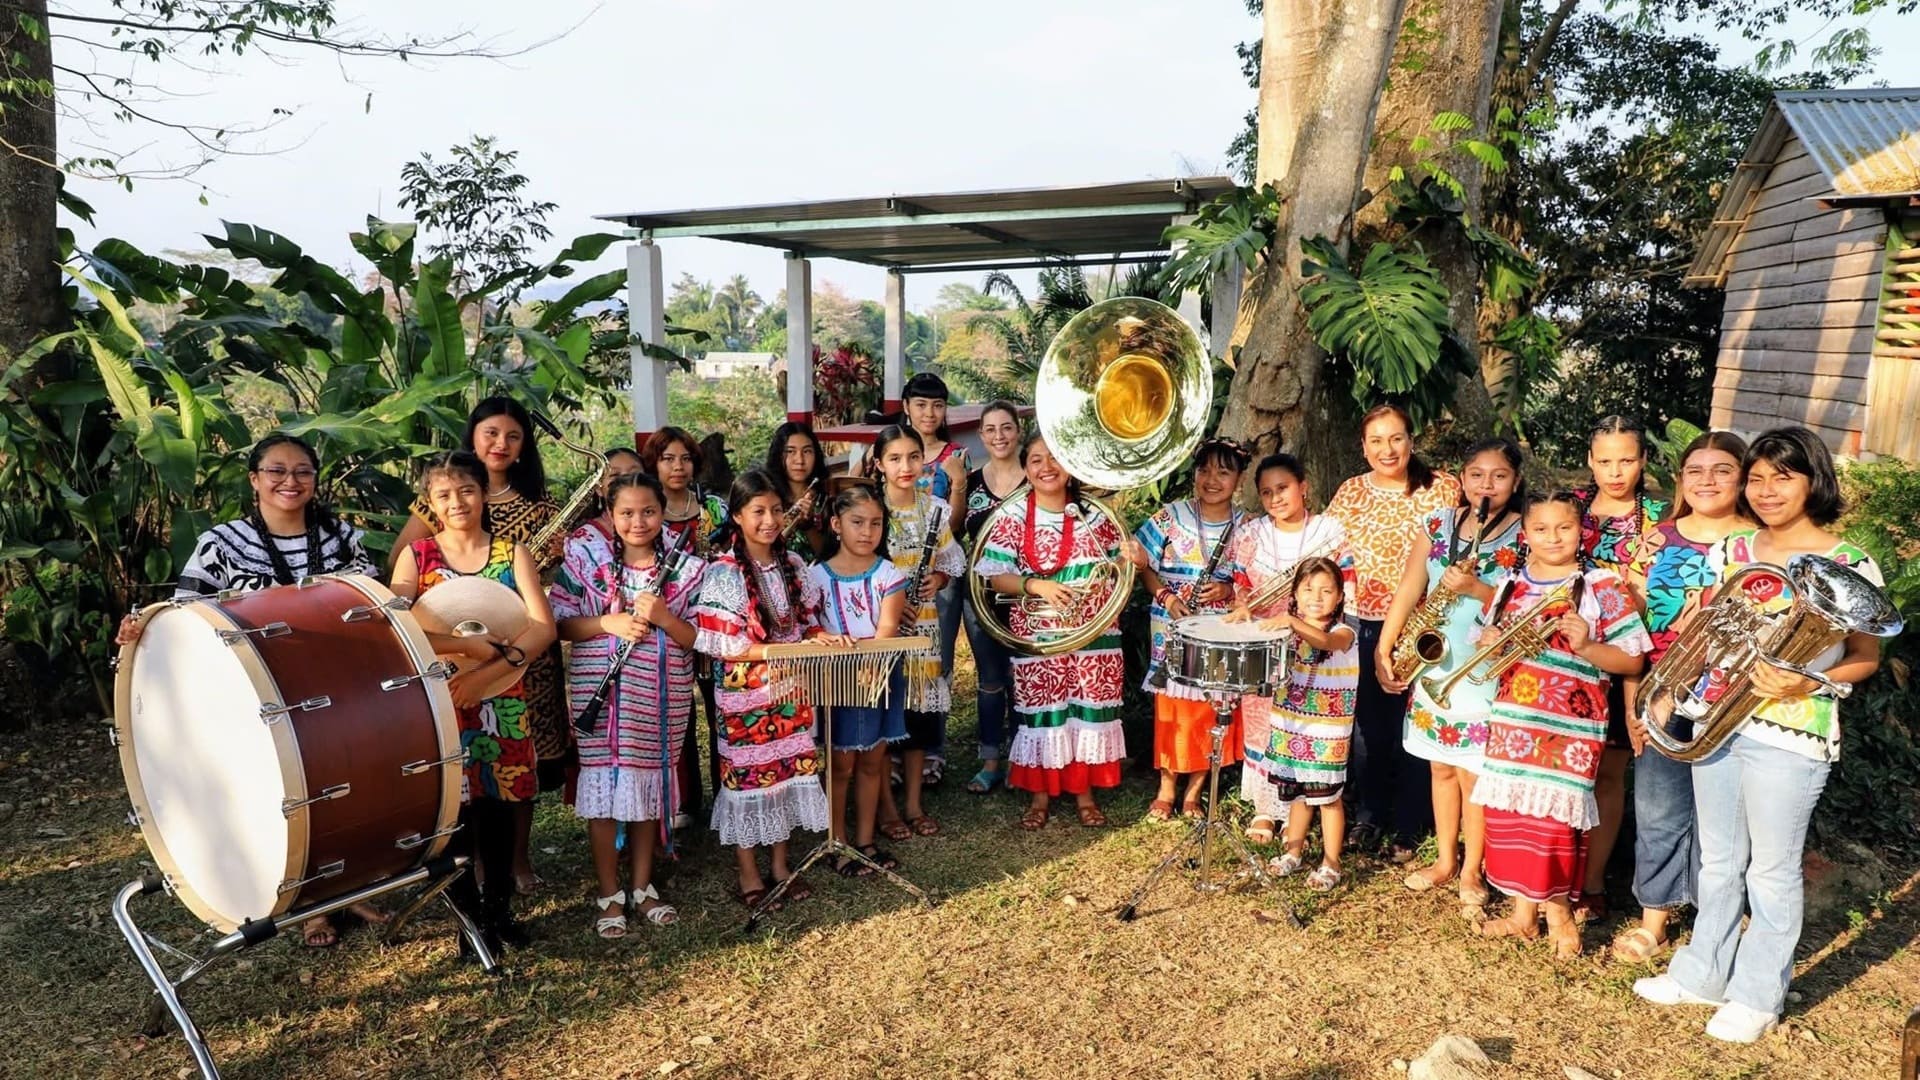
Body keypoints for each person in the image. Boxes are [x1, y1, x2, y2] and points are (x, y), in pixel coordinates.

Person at [1635, 426, 1886, 1043]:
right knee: (1719, 861)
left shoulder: (1850, 562)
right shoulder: (1734, 550)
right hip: (1716, 718)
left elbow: (1865, 657)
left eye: (1784, 476)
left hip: (1791, 734)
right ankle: (1701, 974)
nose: (1767, 490)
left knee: (1770, 872)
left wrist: (1807, 684)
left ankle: (1757, 995)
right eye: (1758, 477)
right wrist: (1673, 687)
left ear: (1813, 481)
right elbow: (1707, 634)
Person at [116, 433, 381, 949]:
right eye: (277, 471)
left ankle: (347, 887)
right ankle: (308, 906)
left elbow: (367, 599)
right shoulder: (222, 542)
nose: (290, 481)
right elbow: (183, 617)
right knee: (294, 794)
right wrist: (137, 628)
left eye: (303, 471)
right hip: (257, 697)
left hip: (335, 682)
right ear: (255, 479)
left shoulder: (339, 537)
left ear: (315, 480)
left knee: (343, 782)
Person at [390, 397, 566, 896]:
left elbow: (542, 627)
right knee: (454, 795)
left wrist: (488, 672)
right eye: (444, 496)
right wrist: (466, 647)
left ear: (482, 495)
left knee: (507, 789)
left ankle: (503, 892)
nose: (457, 503)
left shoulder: (515, 552)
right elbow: (398, 620)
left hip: (505, 690)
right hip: (443, 693)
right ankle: (467, 890)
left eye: (466, 491)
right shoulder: (416, 556)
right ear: (431, 501)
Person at [1472, 491, 1650, 959]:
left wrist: (1589, 646)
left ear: (1580, 531)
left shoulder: (1602, 586)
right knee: (1510, 817)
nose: (1554, 538)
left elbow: (1632, 659)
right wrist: (1489, 642)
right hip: (1513, 723)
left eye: (1564, 528)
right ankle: (1521, 914)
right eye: (1542, 529)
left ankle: (1559, 914)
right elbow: (1489, 663)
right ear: (1525, 534)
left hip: (1572, 726)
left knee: (1552, 823)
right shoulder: (1510, 585)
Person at [1611, 431, 1751, 964]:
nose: (1707, 481)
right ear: (1680, 478)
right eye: (1696, 471)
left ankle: (1721, 912)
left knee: (1729, 811)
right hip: (1663, 692)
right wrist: (1633, 702)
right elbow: (1632, 631)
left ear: (1741, 477)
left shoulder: (1756, 544)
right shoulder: (1658, 540)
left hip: (1735, 694)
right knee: (1659, 805)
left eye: (1722, 470)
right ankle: (1656, 917)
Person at [549, 472, 705, 939]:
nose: (639, 521)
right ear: (611, 516)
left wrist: (662, 617)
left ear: (664, 512)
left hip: (661, 695)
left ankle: (642, 885)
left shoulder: (689, 567)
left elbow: (696, 636)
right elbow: (559, 623)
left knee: (647, 790)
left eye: (649, 511)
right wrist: (608, 622)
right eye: (627, 513)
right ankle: (608, 892)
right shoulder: (583, 559)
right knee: (604, 793)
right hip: (601, 692)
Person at [1376, 437, 1526, 908]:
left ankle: (1472, 870)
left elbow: (1528, 604)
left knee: (1472, 774)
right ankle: (1444, 860)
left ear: (1516, 482)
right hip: (1433, 662)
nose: (1487, 484)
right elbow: (1409, 587)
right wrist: (1386, 646)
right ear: (1461, 480)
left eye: (1499, 476)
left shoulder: (1525, 533)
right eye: (1477, 475)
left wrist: (1479, 589)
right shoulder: (1438, 525)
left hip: (1482, 670)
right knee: (1440, 766)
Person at [692, 468, 837, 910]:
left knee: (787, 775)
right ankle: (748, 872)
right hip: (745, 698)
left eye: (776, 509)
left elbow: (806, 624)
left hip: (792, 692)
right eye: (758, 511)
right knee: (748, 781)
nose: (770, 520)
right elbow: (726, 646)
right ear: (737, 515)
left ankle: (780, 866)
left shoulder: (793, 565)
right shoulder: (723, 572)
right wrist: (782, 653)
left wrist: (816, 639)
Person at [1324, 405, 1462, 862]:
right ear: (1363, 447)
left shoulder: (1442, 488)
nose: (1388, 449)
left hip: (1427, 624)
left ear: (1411, 440)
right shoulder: (1350, 492)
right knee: (1370, 728)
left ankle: (1410, 821)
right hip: (1362, 620)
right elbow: (1327, 552)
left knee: (1417, 723)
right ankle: (1370, 813)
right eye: (1377, 441)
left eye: (1396, 438)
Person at [973, 432, 1127, 830]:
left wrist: (1134, 557)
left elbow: (1120, 567)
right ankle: (1040, 796)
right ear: (1025, 469)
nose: (1046, 468)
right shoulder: (1011, 518)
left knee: (1088, 708)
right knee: (1044, 714)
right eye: (1036, 460)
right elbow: (993, 576)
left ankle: (1084, 794)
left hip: (1095, 635)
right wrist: (1036, 585)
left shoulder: (1095, 516)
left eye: (1054, 458)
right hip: (1038, 633)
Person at [1225, 453, 1353, 845]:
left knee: (1308, 724)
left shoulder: (1330, 532)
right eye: (1266, 493)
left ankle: (1305, 807)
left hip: (1317, 645)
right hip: (1265, 641)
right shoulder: (1250, 535)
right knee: (1266, 723)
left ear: (1303, 486)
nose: (1275, 498)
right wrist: (1242, 606)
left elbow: (1346, 585)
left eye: (1282, 488)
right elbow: (1240, 590)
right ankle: (1267, 808)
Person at [1575, 416, 1669, 919]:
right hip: (1566, 658)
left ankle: (1593, 881)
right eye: (1605, 460)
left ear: (1643, 461)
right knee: (1566, 767)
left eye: (1627, 460)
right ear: (1590, 461)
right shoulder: (1568, 507)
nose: (1615, 471)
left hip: (1633, 657)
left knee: (1609, 772)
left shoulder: (1662, 515)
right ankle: (1556, 874)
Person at [1130, 437, 1252, 821]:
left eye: (1223, 471)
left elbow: (1255, 578)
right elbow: (1141, 561)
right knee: (1172, 707)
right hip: (1171, 622)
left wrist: (1231, 588)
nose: (1212, 479)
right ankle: (1166, 787)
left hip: (1219, 628)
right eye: (1204, 470)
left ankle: (1195, 793)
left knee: (1209, 709)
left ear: (1239, 479)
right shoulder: (1171, 515)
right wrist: (1165, 595)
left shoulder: (1248, 525)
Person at [805, 484, 911, 877]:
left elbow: (887, 628)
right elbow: (811, 627)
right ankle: (837, 840)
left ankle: (865, 840)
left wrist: (873, 664)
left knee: (872, 761)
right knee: (840, 764)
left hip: (880, 674)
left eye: (876, 524)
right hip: (838, 681)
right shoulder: (815, 577)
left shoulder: (889, 574)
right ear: (835, 524)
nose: (867, 532)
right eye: (857, 522)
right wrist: (822, 639)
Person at [873, 424, 966, 839]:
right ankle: (887, 810)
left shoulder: (935, 509)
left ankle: (913, 804)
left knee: (916, 718)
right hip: (880, 627)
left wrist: (939, 581)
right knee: (880, 719)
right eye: (894, 458)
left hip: (923, 627)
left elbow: (950, 559)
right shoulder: (871, 509)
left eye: (913, 457)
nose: (905, 466)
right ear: (879, 464)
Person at [642, 425, 731, 826]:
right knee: (677, 712)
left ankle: (728, 791)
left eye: (685, 458)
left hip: (713, 623)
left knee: (720, 709)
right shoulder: (648, 514)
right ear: (654, 464)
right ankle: (684, 800)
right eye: (667, 459)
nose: (678, 467)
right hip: (668, 625)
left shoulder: (714, 508)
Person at [1259, 556, 1360, 892]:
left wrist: (1289, 620)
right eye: (1308, 589)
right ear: (1295, 593)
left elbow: (1326, 643)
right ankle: (1294, 851)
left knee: (1327, 797)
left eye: (1326, 590)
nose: (1316, 597)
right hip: (1291, 726)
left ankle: (1332, 861)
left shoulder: (1344, 631)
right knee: (1300, 793)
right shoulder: (1288, 630)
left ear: (1340, 597)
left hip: (1326, 733)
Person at [902, 372, 970, 788]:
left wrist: (958, 483)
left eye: (938, 405)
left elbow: (958, 524)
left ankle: (932, 750)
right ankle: (897, 748)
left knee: (937, 660)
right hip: (896, 570)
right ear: (907, 406)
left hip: (941, 569)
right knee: (896, 659)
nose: (929, 413)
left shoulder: (956, 455)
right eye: (921, 404)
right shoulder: (892, 449)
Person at [958, 400, 1026, 794]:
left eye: (1006, 428)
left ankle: (1021, 758)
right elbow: (954, 530)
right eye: (991, 430)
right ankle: (989, 762)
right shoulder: (969, 480)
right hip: (979, 594)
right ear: (981, 436)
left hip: (1024, 595)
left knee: (1021, 675)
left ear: (1017, 431)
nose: (999, 436)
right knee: (990, 679)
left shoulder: (1036, 477)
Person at [764, 421, 832, 562]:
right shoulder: (765, 496)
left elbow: (829, 556)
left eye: (807, 451)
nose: (799, 460)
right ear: (778, 455)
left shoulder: (827, 497)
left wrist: (808, 525)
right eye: (790, 452)